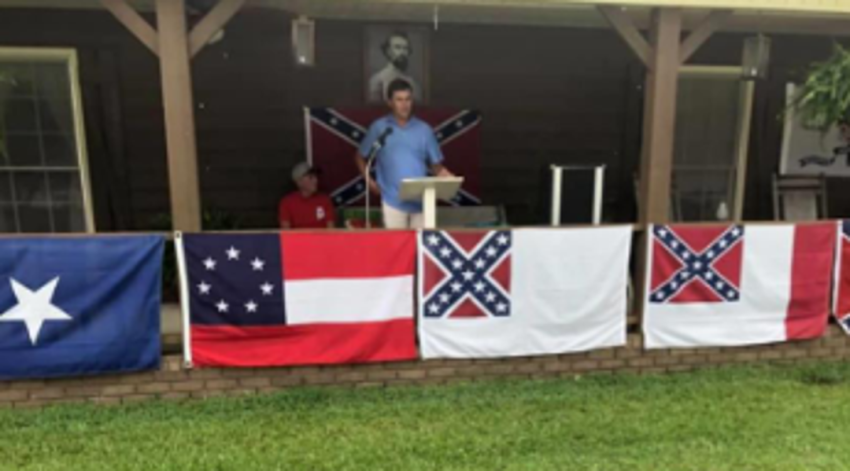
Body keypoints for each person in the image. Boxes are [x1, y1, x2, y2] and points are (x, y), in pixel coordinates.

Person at [355, 79, 454, 229]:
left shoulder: (424, 130)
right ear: (390, 102)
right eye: (399, 100)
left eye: (408, 99)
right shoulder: (379, 127)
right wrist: (369, 181)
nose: (404, 104)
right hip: (392, 201)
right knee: (396, 249)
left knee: (421, 248)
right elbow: (360, 157)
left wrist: (446, 176)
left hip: (421, 201)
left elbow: (436, 166)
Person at [278, 162, 336, 229]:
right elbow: (286, 233)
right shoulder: (286, 203)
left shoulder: (325, 200)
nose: (316, 180)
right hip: (297, 239)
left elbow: (331, 231)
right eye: (310, 177)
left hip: (322, 239)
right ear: (299, 182)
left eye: (316, 177)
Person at [368, 32, 421, 103]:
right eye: (397, 47)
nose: (402, 52)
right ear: (388, 51)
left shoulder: (412, 82)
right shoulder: (377, 80)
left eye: (405, 48)